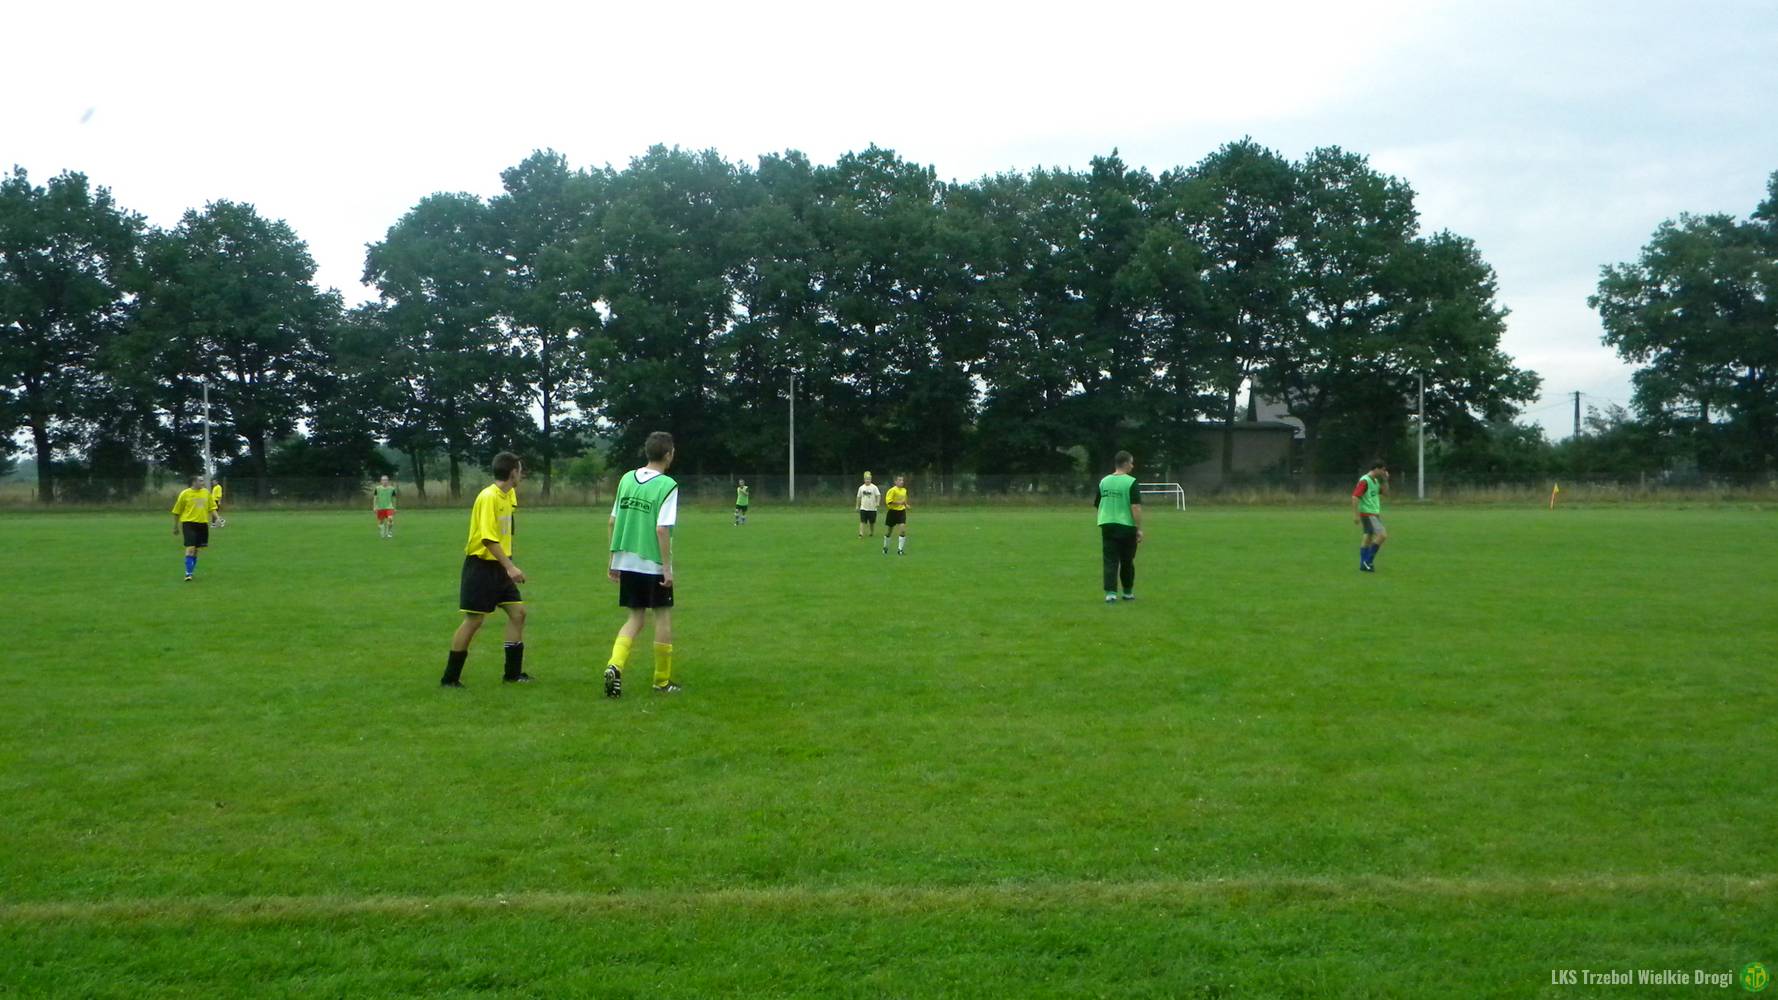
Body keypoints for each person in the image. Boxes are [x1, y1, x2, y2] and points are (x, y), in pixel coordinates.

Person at [440, 452, 530, 687]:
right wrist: (510, 567)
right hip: (481, 567)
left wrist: (507, 563)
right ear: (513, 473)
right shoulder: (488, 497)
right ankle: (450, 678)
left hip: (501, 566)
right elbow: (488, 539)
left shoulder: (509, 494)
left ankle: (512, 674)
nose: (522, 475)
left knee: (518, 614)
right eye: (520, 470)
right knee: (474, 620)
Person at [604, 431, 681, 697]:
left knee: (635, 617)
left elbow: (612, 521)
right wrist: (666, 568)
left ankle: (615, 665)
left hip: (625, 558)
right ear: (668, 454)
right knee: (662, 615)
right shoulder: (667, 485)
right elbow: (662, 529)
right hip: (652, 561)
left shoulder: (626, 479)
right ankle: (662, 681)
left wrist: (613, 560)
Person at [1094, 452, 1143, 603]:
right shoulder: (1131, 482)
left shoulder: (1104, 481)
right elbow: (1135, 507)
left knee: (1110, 560)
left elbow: (1098, 503)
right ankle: (1127, 593)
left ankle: (1110, 594)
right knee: (1127, 560)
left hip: (1107, 524)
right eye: (1131, 463)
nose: (1132, 466)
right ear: (1126, 463)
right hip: (1126, 525)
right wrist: (1138, 528)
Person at [171, 475, 213, 582]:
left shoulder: (206, 493)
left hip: (202, 524)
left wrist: (217, 518)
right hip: (188, 523)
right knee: (190, 548)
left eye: (203, 481)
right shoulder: (185, 494)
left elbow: (212, 507)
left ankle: (190, 571)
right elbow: (177, 511)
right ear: (194, 482)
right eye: (201, 481)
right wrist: (175, 526)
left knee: (196, 550)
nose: (203, 483)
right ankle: (188, 573)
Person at [1352, 460, 1389, 572]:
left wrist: (1385, 480)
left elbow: (1386, 494)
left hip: (1373, 513)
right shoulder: (1365, 481)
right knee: (1382, 535)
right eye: (1383, 470)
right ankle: (1368, 561)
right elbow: (1355, 497)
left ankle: (1363, 564)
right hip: (1368, 513)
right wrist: (1356, 515)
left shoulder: (1376, 481)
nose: (1384, 472)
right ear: (1376, 469)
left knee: (1368, 537)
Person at [882, 474, 910, 555]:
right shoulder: (892, 490)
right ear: (895, 482)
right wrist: (899, 503)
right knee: (889, 532)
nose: (902, 482)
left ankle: (900, 550)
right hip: (892, 512)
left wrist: (906, 505)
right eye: (900, 480)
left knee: (903, 530)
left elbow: (904, 499)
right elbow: (889, 502)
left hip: (901, 512)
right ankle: (885, 547)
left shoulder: (904, 490)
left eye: (902, 480)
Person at [856, 471, 881, 538]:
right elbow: (858, 497)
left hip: (872, 508)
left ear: (871, 479)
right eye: (866, 479)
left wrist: (877, 502)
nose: (868, 480)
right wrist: (857, 506)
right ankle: (861, 534)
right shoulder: (861, 488)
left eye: (869, 479)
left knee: (872, 522)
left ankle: (871, 532)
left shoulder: (874, 487)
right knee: (862, 521)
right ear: (864, 479)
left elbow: (878, 495)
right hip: (863, 508)